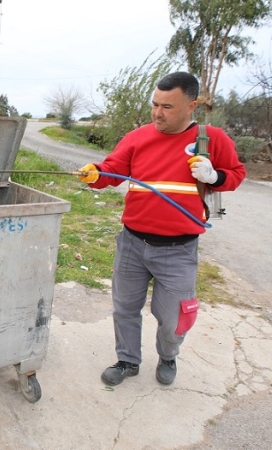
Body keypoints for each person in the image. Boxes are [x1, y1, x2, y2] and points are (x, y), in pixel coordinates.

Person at [77, 71, 245, 386]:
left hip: (179, 249)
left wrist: (215, 177)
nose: (157, 113)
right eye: (155, 104)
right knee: (125, 308)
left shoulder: (211, 139)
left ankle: (168, 355)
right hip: (132, 243)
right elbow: (112, 171)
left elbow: (236, 172)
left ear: (190, 106)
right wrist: (95, 173)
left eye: (167, 107)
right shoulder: (138, 137)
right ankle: (127, 360)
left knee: (173, 318)